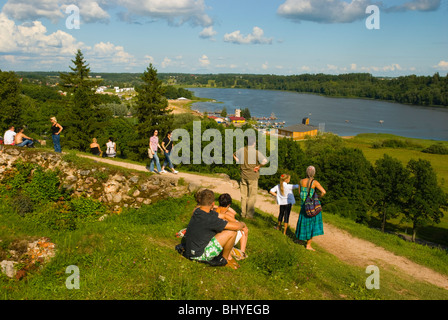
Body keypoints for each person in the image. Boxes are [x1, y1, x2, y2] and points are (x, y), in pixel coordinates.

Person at [183, 189, 246, 270]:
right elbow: (236, 227)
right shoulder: (211, 219)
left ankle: (227, 257)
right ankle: (225, 259)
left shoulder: (197, 211)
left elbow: (222, 216)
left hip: (189, 251)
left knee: (220, 230)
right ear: (213, 204)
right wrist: (242, 224)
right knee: (231, 232)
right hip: (199, 255)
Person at [233, 136, 268, 219]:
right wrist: (258, 166)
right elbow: (265, 161)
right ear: (254, 143)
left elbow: (234, 154)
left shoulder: (242, 150)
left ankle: (243, 213)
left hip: (243, 175)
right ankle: (249, 215)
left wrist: (239, 161)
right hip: (252, 176)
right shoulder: (256, 152)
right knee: (252, 196)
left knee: (243, 196)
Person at [295, 166, 326, 251]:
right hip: (311, 206)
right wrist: (319, 196)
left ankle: (299, 239)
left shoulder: (301, 181)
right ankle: (308, 245)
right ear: (314, 173)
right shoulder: (314, 182)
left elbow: (300, 193)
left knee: (302, 222)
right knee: (311, 224)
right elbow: (323, 191)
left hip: (303, 205)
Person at [214, 193, 249, 259]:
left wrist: (218, 206)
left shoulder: (214, 210)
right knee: (243, 231)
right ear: (229, 204)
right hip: (224, 238)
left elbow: (234, 212)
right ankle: (242, 253)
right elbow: (234, 214)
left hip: (215, 237)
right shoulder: (229, 215)